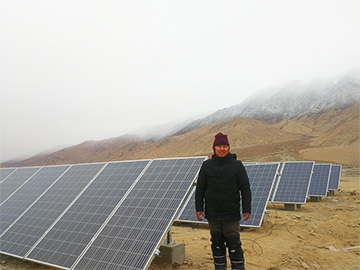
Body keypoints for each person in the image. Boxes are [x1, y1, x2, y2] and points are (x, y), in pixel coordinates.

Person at [195, 132, 252, 270]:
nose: (222, 149)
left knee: (234, 243)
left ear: (229, 148)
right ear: (214, 148)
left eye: (224, 146)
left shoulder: (237, 165)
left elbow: (245, 188)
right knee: (217, 243)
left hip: (231, 213)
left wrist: (247, 209)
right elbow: (200, 188)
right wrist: (199, 208)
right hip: (213, 213)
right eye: (219, 146)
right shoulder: (207, 166)